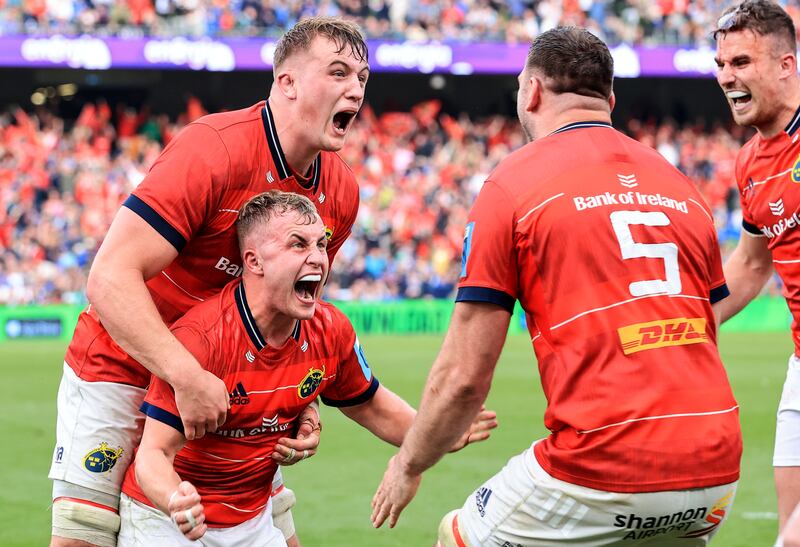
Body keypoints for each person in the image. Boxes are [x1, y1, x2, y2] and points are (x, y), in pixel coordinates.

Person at [371, 26, 742, 546]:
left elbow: (463, 379)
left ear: (532, 92)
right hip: (716, 465)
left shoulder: (512, 183)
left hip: (605, 462)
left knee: (456, 534)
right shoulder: (681, 184)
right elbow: (707, 329)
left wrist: (408, 464)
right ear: (610, 100)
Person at [48, 16, 371, 547]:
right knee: (82, 537)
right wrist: (185, 376)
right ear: (287, 82)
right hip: (124, 367)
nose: (355, 89)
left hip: (230, 385)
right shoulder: (214, 149)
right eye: (338, 72)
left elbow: (292, 308)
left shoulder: (341, 191)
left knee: (276, 534)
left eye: (362, 77)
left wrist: (304, 397)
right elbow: (109, 278)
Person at [115, 190, 497, 545]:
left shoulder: (331, 330)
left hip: (251, 519)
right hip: (165, 520)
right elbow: (153, 456)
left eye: (321, 244)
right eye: (298, 244)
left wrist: (435, 432)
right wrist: (175, 499)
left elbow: (371, 405)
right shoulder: (202, 338)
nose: (317, 257)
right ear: (253, 261)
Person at [712, 0, 800, 532]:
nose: (727, 78)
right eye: (722, 65)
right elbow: (749, 264)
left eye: (741, 62)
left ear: (786, 65)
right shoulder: (750, 161)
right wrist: (685, 319)